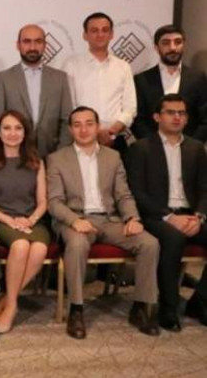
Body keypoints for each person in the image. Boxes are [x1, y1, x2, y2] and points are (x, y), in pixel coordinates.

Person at [47, 106, 160, 339]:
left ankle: (141, 307)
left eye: (89, 124)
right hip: (75, 220)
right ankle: (76, 309)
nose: (83, 130)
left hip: (109, 220)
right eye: (77, 125)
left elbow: (123, 195)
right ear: (70, 130)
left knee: (149, 243)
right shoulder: (57, 159)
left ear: (98, 127)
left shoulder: (113, 157)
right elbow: (54, 202)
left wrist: (132, 218)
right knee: (77, 245)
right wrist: (74, 220)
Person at [126, 94, 207, 332]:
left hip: (190, 214)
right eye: (170, 112)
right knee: (173, 238)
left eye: (181, 113)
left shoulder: (196, 148)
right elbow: (137, 192)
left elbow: (205, 188)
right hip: (157, 216)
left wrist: (199, 216)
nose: (177, 117)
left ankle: (200, 300)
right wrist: (169, 217)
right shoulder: (141, 148)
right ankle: (168, 307)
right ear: (156, 117)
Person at [0, 110, 49, 334]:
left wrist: (30, 220)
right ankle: (11, 307)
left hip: (33, 221)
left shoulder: (36, 162)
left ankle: (6, 302)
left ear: (25, 133)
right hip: (3, 221)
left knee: (39, 249)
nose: (12, 133)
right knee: (20, 246)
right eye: (7, 128)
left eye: (18, 128)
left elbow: (43, 201)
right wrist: (10, 221)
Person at [0, 24, 72, 158]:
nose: (32, 47)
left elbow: (67, 120)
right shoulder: (5, 78)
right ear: (18, 45)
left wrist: (59, 155)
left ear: (45, 45)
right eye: (27, 41)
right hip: (14, 155)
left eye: (38, 41)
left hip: (52, 155)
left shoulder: (60, 78)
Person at [63, 12, 135, 152]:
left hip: (115, 140)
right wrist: (94, 131)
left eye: (105, 30)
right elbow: (69, 106)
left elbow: (130, 107)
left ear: (111, 34)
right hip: (82, 139)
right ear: (85, 35)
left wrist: (112, 131)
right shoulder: (71, 65)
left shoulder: (123, 66)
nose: (100, 35)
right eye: (94, 30)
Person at [132, 25, 207, 142]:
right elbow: (138, 120)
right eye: (166, 43)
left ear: (184, 45)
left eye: (178, 42)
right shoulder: (142, 79)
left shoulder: (198, 78)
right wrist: (154, 145)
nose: (173, 48)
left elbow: (205, 119)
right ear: (156, 48)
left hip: (189, 148)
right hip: (152, 148)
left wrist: (190, 146)